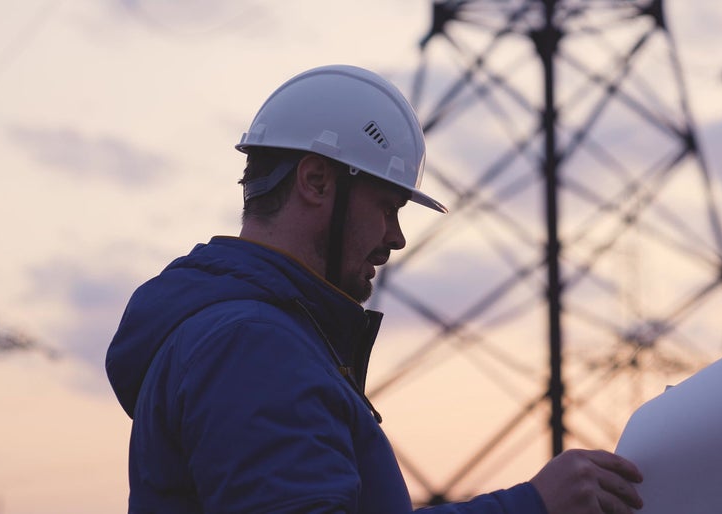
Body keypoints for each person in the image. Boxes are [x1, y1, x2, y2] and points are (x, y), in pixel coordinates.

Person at [105, 64, 643, 514]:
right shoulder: (250, 343)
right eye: (387, 207)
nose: (397, 237)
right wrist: (532, 506)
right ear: (316, 182)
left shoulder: (245, 334)